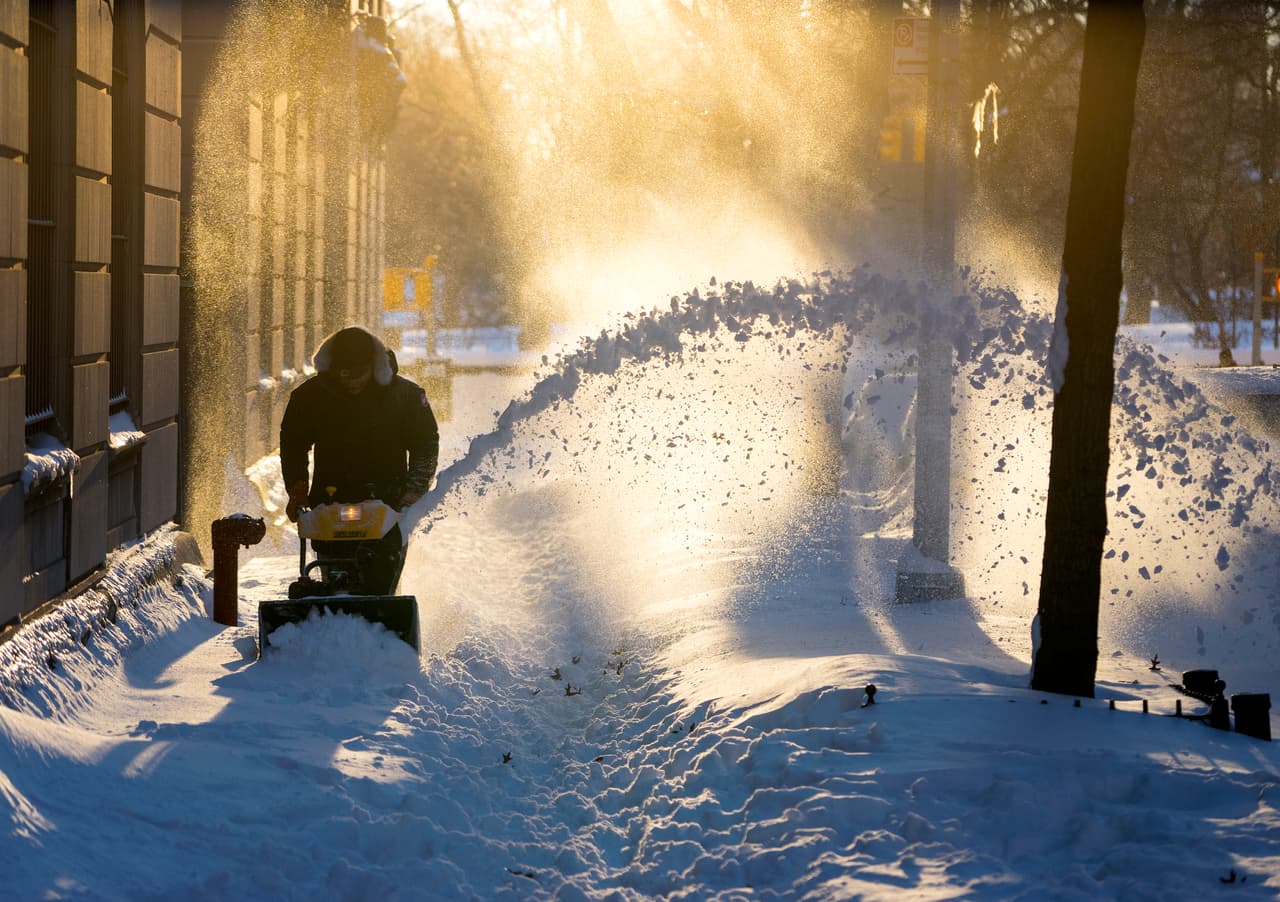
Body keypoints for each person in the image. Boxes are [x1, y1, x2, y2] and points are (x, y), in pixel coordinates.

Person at [279, 325, 439, 595]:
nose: (352, 380)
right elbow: (293, 443)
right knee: (334, 582)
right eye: (344, 374)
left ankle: (382, 620)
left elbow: (425, 444)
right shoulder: (310, 397)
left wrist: (414, 489)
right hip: (330, 504)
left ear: (373, 366)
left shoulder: (406, 397)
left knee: (381, 583)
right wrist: (296, 486)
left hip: (388, 506)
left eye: (359, 373)